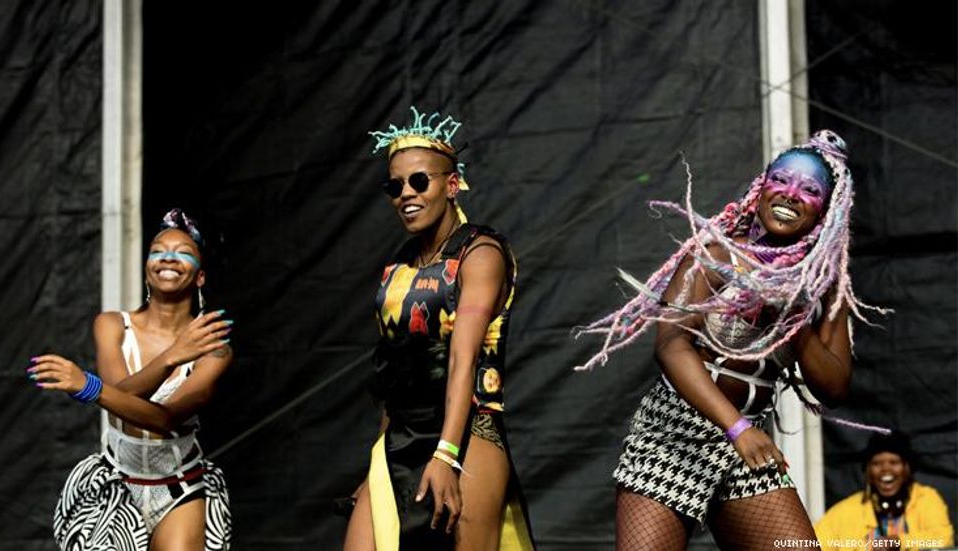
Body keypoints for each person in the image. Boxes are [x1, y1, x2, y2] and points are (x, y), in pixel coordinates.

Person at [576, 130, 889, 550]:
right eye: (781, 180)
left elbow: (834, 388)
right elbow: (671, 346)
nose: (791, 194)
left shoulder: (822, 287)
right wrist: (736, 428)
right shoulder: (716, 255)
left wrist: (792, 318)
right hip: (674, 435)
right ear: (761, 188)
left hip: (749, 445)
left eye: (809, 189)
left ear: (825, 213)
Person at [343, 107, 535, 551]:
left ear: (451, 185)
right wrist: (377, 465)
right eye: (394, 186)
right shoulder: (398, 269)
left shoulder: (480, 254)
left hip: (468, 434)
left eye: (419, 181)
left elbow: (462, 358)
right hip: (400, 437)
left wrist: (446, 455)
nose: (405, 194)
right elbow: (394, 369)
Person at [30, 209, 234, 551]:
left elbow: (164, 421)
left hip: (180, 485)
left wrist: (90, 387)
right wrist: (169, 357)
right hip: (117, 484)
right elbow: (118, 400)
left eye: (183, 252)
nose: (168, 257)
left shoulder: (214, 348)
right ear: (147, 269)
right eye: (158, 251)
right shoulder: (111, 325)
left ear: (200, 277)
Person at [814, 432, 954, 550]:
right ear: (867, 471)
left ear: (907, 468)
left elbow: (944, 539)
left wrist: (898, 542)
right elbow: (812, 544)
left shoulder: (926, 498)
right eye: (876, 463)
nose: (886, 469)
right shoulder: (845, 511)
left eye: (894, 462)